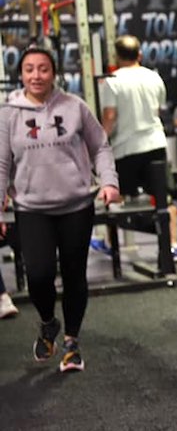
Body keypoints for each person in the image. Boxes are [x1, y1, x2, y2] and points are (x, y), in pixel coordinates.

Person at [0, 45, 120, 371]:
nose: (36, 75)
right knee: (39, 275)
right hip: (32, 207)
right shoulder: (8, 113)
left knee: (73, 275)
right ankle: (48, 322)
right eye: (29, 69)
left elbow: (100, 147)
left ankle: (71, 341)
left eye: (43, 68)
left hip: (76, 205)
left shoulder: (75, 106)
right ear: (21, 74)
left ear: (54, 73)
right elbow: (1, 163)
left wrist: (109, 182)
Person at [97, 35, 177, 261]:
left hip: (126, 148)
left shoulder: (112, 81)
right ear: (140, 54)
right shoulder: (154, 77)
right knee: (164, 198)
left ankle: (109, 243)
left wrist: (100, 143)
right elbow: (158, 109)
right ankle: (173, 246)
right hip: (155, 144)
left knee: (116, 197)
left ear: (116, 57)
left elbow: (110, 116)